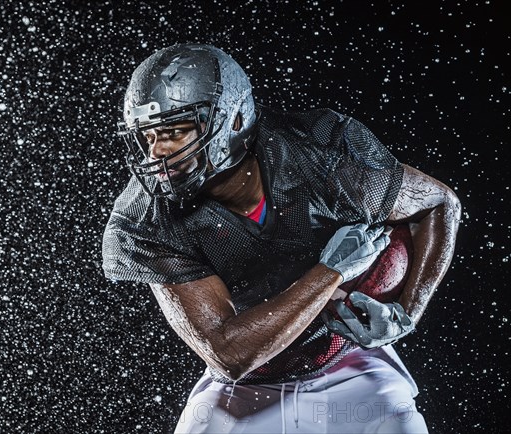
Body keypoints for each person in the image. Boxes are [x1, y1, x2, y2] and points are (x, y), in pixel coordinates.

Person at [102, 43, 461, 433]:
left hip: (347, 367)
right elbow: (228, 355)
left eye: (173, 132)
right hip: (241, 391)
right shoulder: (147, 217)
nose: (157, 154)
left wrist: (408, 312)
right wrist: (330, 272)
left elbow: (441, 204)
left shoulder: (321, 156)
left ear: (234, 119)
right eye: (149, 136)